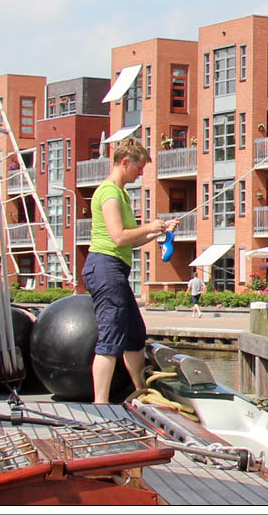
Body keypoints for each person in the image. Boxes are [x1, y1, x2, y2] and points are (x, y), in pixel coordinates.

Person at [83, 138, 177, 403]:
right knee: (111, 337)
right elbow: (119, 237)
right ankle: (100, 405)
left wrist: (159, 230)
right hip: (105, 266)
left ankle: (140, 391)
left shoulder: (121, 194)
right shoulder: (109, 193)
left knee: (135, 333)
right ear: (125, 163)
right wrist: (149, 227)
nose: (141, 173)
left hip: (114, 268)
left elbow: (132, 240)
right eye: (139, 168)